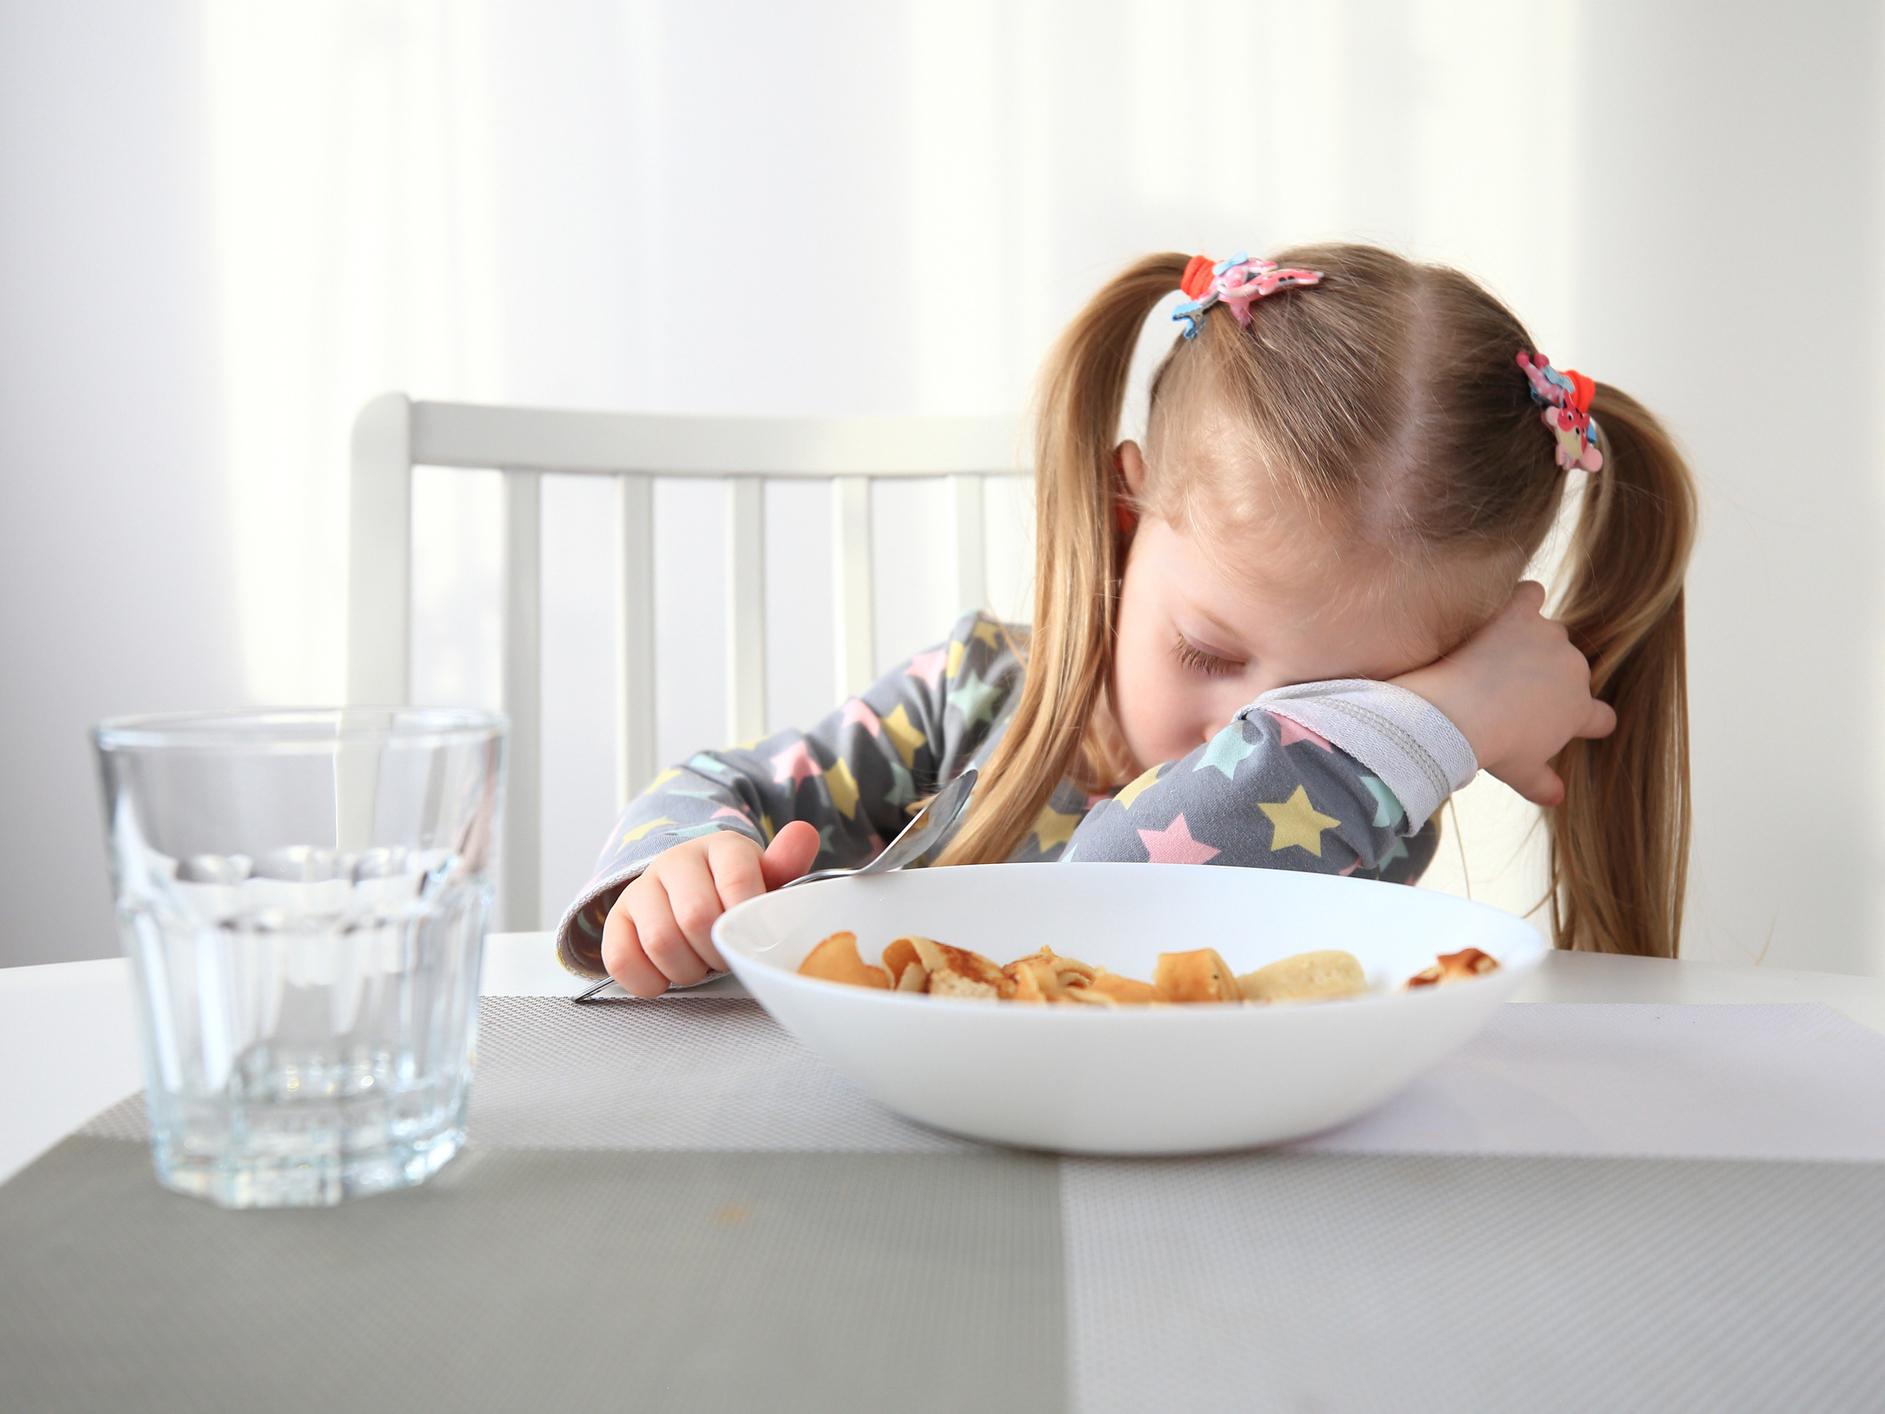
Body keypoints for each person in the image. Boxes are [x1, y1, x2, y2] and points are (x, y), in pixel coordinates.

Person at [556, 243, 1697, 996]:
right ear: (1118, 519)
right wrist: (682, 868)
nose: (1241, 733)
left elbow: (1118, 897)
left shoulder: (1362, 799)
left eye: (1344, 706)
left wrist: (1420, 728)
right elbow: (724, 784)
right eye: (1206, 649)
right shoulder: (974, 694)